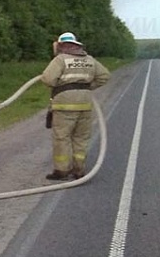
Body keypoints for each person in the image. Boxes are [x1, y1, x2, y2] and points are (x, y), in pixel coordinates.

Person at [41, 32, 111, 180]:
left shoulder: (60, 59)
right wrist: (85, 87)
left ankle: (62, 171)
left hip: (65, 105)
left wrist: (64, 86)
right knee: (81, 138)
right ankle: (79, 170)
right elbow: (105, 76)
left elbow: (47, 79)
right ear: (76, 45)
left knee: (62, 137)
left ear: (60, 45)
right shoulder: (89, 60)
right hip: (85, 104)